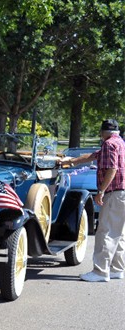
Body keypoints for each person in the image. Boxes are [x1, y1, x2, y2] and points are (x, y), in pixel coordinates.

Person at [58, 118, 125, 282]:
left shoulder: (109, 144)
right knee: (118, 232)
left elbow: (112, 169)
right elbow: (94, 155)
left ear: (103, 133)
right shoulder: (119, 142)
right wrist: (72, 161)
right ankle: (117, 269)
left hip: (114, 192)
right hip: (121, 193)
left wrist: (101, 191)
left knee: (105, 232)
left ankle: (100, 272)